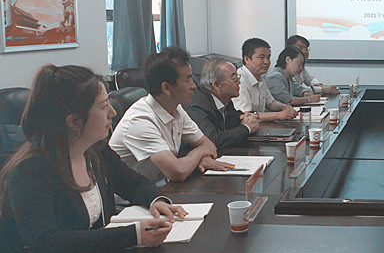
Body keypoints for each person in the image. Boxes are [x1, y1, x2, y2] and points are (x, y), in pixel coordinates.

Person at [0, 65, 185, 253]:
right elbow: (48, 244)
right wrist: (134, 236)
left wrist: (156, 200)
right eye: (103, 106)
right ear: (74, 122)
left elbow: (132, 182)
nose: (113, 112)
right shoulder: (30, 171)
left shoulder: (95, 150)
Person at [110, 47, 232, 182]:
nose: (194, 86)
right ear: (166, 88)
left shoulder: (176, 109)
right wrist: (199, 153)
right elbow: (178, 172)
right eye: (188, 80)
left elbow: (210, 146)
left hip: (161, 185)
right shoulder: (139, 121)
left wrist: (202, 158)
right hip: (134, 193)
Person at [186, 58, 260, 150]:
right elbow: (211, 140)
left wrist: (248, 118)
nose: (239, 82)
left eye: (238, 77)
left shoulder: (225, 99)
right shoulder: (197, 104)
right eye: (234, 79)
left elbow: (234, 121)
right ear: (216, 85)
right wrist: (246, 128)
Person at [232, 38, 297, 122]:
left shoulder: (260, 77)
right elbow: (245, 115)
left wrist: (284, 107)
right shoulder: (240, 80)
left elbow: (270, 103)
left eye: (268, 57)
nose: (266, 62)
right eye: (261, 57)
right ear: (247, 59)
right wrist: (279, 115)